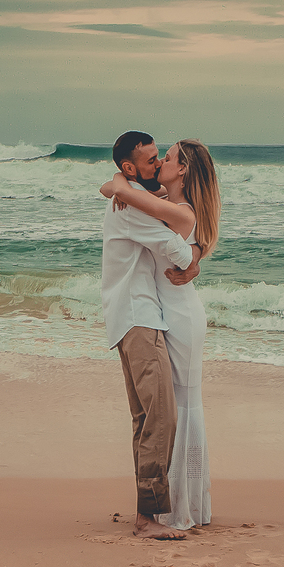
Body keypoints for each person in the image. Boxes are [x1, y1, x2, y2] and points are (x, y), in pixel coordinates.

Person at [102, 139, 220, 531]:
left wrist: (196, 258)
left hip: (164, 316)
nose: (159, 163)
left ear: (181, 171)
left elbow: (185, 233)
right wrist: (119, 183)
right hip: (142, 315)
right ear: (132, 167)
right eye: (154, 159)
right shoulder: (131, 203)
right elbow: (181, 238)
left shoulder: (138, 198)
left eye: (164, 158)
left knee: (164, 413)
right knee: (160, 414)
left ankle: (166, 509)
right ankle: (156, 512)